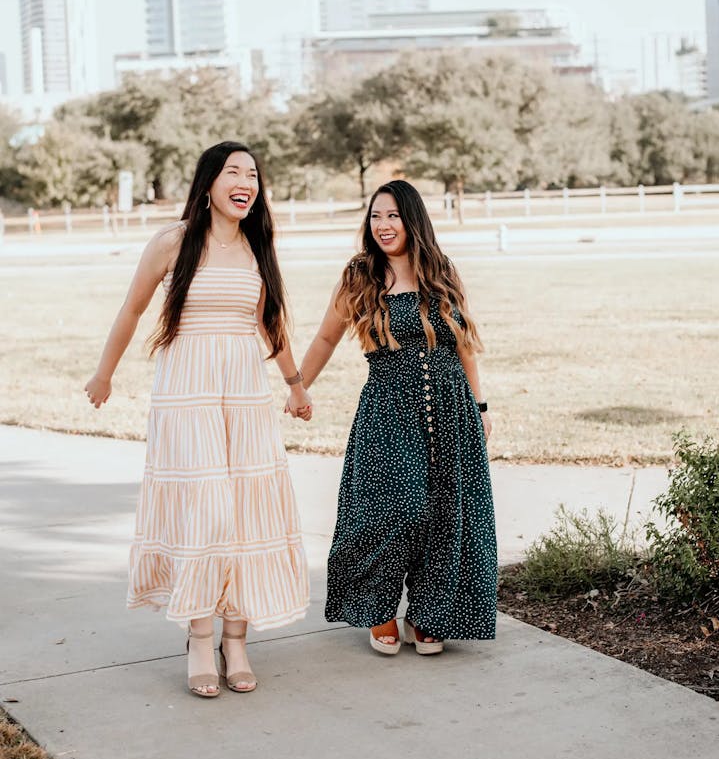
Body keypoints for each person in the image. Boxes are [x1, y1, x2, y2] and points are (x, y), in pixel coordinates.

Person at [85, 141, 312, 698]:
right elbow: (133, 308)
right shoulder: (174, 241)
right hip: (187, 390)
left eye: (253, 174)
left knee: (246, 513)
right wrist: (103, 373)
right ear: (208, 182)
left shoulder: (258, 246)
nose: (246, 181)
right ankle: (199, 635)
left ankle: (236, 639)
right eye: (233, 171)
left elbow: (270, 323)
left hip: (244, 392)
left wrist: (295, 384)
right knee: (207, 510)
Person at [294, 180, 496, 656]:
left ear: (413, 220)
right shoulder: (359, 275)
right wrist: (298, 385)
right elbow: (326, 339)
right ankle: (377, 606)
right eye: (375, 217)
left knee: (448, 511)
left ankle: (431, 614)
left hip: (451, 408)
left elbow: (463, 343)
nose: (382, 226)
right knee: (393, 508)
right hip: (388, 409)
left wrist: (480, 405)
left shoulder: (441, 271)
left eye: (392, 216)